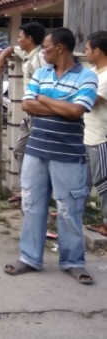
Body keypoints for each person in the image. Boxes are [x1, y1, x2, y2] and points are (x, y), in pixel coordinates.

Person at [4, 28, 97, 285]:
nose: (42, 52)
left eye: (46, 48)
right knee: (33, 205)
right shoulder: (41, 72)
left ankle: (73, 262)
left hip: (68, 153)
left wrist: (45, 99)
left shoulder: (87, 76)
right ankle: (30, 257)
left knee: (69, 210)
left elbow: (77, 111)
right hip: (36, 151)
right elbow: (27, 104)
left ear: (60, 48)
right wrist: (60, 106)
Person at [0, 21, 46, 201]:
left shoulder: (40, 60)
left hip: (39, 115)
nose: (18, 40)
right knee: (19, 151)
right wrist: (1, 58)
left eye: (21, 37)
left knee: (34, 155)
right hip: (28, 115)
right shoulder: (28, 54)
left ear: (29, 39)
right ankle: (26, 191)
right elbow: (11, 48)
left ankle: (35, 194)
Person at [84, 31, 107, 237]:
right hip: (87, 135)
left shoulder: (106, 76)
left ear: (97, 50)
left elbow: (89, 101)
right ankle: (74, 211)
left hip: (101, 137)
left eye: (88, 49)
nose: (86, 52)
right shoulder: (93, 71)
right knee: (83, 179)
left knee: (103, 181)